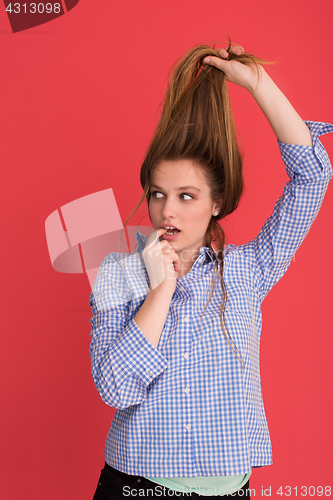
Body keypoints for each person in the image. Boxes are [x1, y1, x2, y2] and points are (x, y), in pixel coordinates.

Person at [89, 39, 333, 499]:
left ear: (216, 203)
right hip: (137, 486)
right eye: (158, 194)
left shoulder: (248, 270)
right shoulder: (117, 274)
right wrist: (160, 291)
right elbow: (116, 388)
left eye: (187, 196)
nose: (167, 211)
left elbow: (313, 177)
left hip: (232, 488)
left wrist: (256, 82)